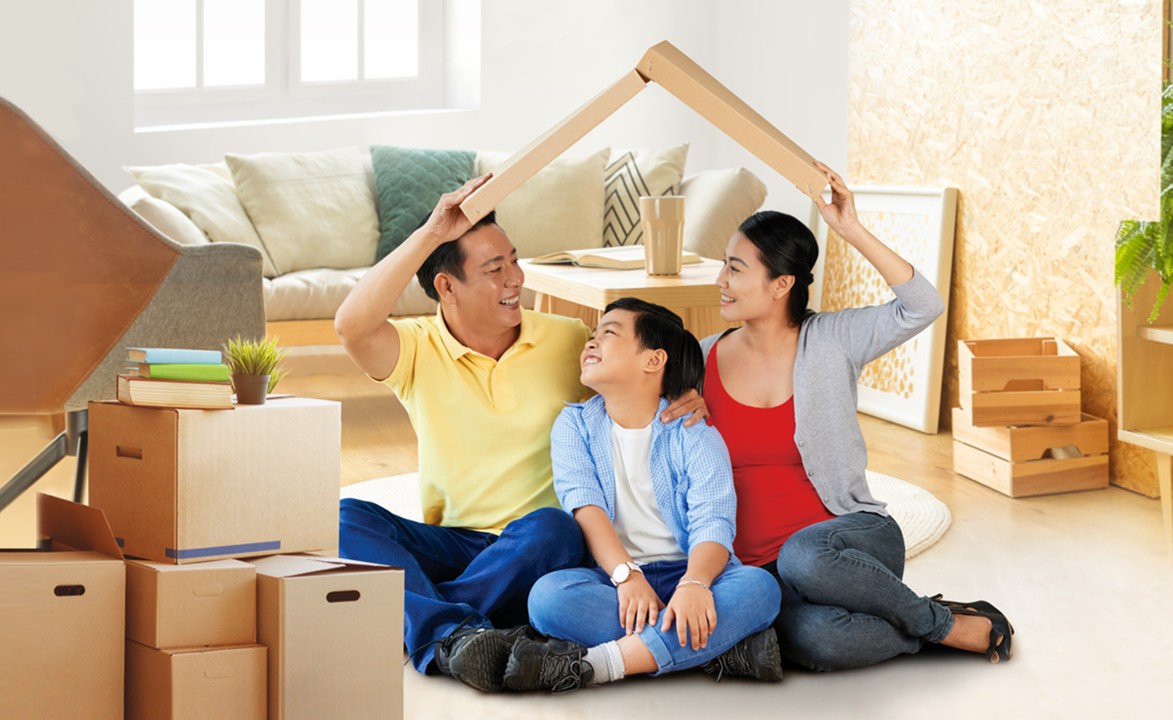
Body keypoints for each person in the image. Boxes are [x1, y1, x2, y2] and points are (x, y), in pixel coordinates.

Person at [333, 176, 706, 689]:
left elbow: (639, 369)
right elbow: (351, 325)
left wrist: (684, 389)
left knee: (552, 524)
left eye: (514, 260)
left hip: (540, 545)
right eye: (494, 269)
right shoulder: (414, 348)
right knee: (343, 517)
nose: (516, 278)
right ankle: (459, 629)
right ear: (447, 286)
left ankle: (425, 615)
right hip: (456, 541)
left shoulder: (566, 338)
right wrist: (429, 233)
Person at [699, 161, 1014, 670]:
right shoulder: (702, 356)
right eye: (724, 265)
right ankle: (926, 620)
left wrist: (849, 228)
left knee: (806, 555)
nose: (721, 280)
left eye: (735, 268)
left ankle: (947, 627)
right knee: (816, 641)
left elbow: (922, 305)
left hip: (848, 543)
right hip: (759, 569)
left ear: (781, 285)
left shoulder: (832, 339)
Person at [456, 298, 782, 693]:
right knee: (547, 599)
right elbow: (584, 506)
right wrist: (626, 575)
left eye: (608, 334)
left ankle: (600, 664)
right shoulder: (573, 425)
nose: (591, 343)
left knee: (760, 589)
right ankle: (717, 649)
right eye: (592, 336)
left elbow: (713, 521)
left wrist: (695, 586)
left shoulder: (695, 432)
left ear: (653, 360)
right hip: (615, 580)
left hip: (694, 575)